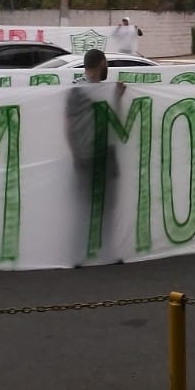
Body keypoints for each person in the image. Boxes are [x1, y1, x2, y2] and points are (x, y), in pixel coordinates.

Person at [65, 49, 125, 263]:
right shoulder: (86, 90)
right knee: (103, 206)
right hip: (97, 156)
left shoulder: (76, 90)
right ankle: (102, 253)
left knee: (88, 206)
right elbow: (116, 122)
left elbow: (68, 126)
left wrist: (74, 153)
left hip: (87, 156)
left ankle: (81, 255)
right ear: (101, 63)